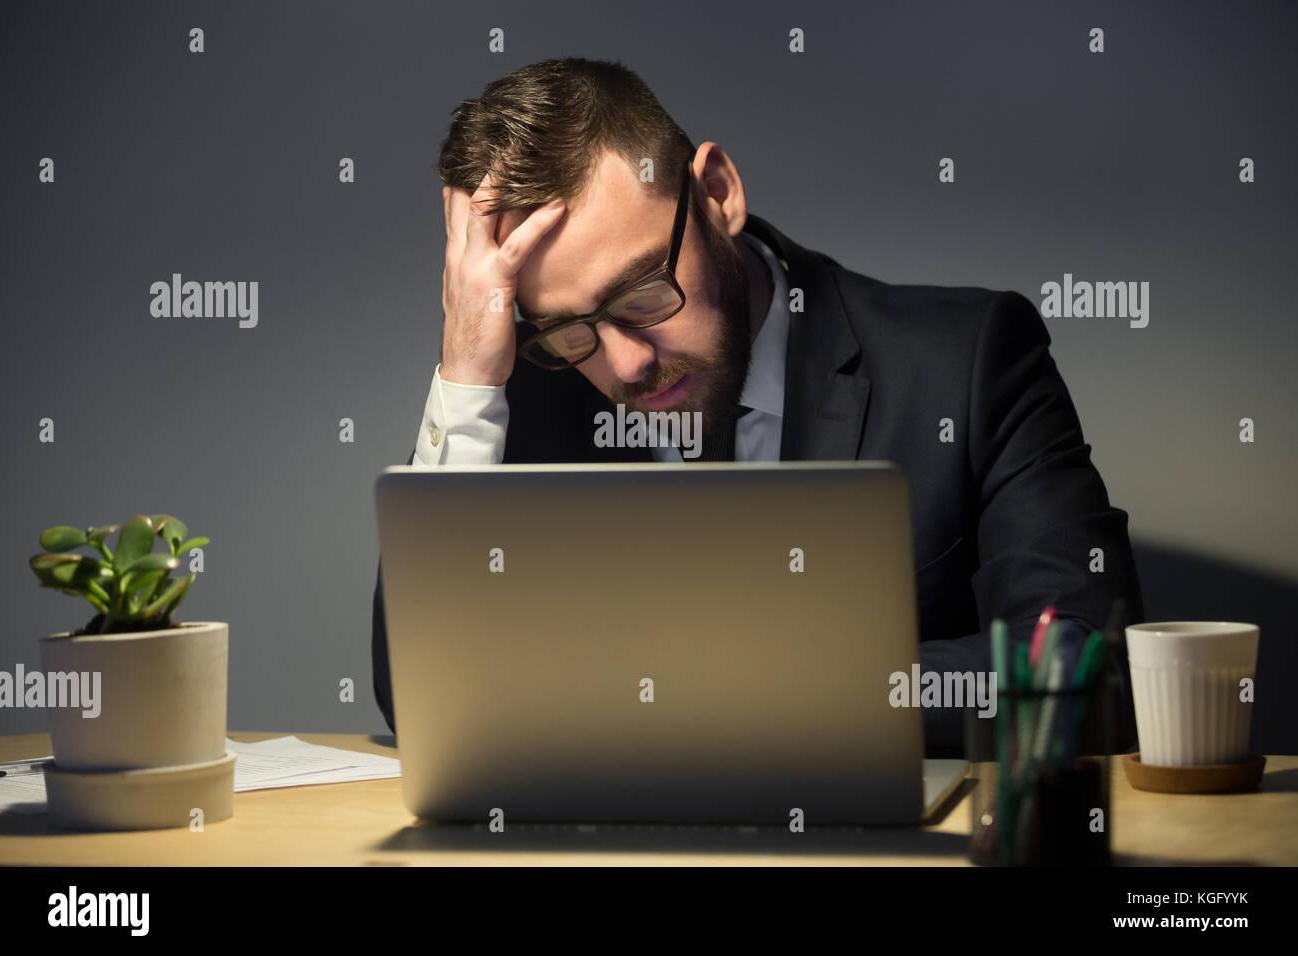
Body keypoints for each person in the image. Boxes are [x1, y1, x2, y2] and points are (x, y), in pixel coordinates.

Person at [371, 57, 1144, 756]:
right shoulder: (532, 389)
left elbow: (1088, 662)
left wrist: (726, 690)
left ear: (717, 195)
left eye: (643, 292)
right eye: (571, 330)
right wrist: (467, 379)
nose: (627, 362)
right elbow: (422, 698)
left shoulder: (966, 357)